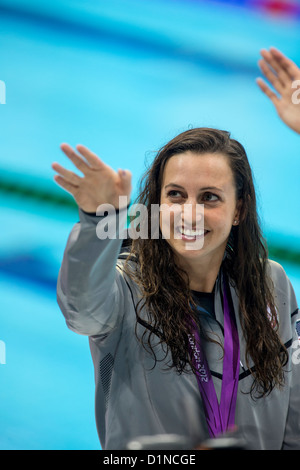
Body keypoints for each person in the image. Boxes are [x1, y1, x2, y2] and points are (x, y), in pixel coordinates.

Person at [52, 48, 300, 450]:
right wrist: (100, 218)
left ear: (240, 210)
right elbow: (80, 309)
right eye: (175, 195)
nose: (189, 213)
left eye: (210, 197)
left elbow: (296, 415)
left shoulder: (273, 284)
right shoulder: (125, 292)